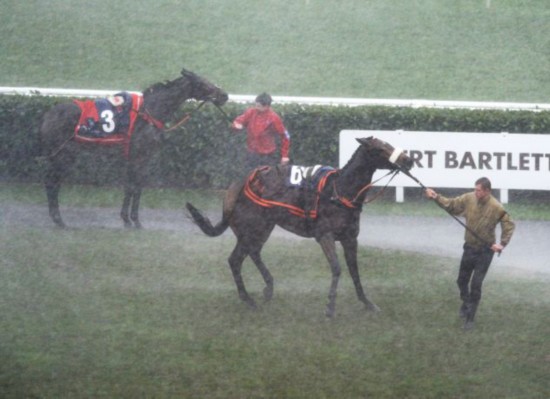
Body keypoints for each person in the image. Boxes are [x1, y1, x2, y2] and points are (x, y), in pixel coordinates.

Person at [424, 177, 515, 330]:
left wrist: (502, 244)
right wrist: (435, 197)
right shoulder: (468, 199)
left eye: (478, 190)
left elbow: (509, 224)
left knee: (476, 285)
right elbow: (451, 205)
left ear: (487, 191)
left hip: (485, 252)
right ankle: (467, 303)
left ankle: (470, 318)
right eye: (475, 189)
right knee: (461, 281)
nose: (476, 192)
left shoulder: (496, 207)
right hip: (469, 248)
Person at [232, 92, 290, 171]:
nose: (256, 107)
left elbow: (285, 136)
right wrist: (236, 125)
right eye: (256, 105)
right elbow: (239, 121)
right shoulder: (251, 112)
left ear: (266, 106)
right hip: (251, 153)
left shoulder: (274, 118)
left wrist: (284, 155)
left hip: (267, 155)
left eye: (259, 106)